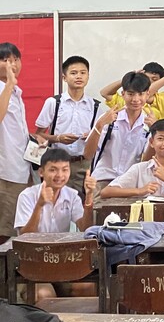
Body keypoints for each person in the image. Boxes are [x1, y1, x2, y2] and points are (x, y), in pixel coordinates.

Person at [34, 55, 102, 195]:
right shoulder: (54, 103)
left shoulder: (95, 106)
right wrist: (58, 138)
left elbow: (102, 137)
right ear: (64, 77)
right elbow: (38, 134)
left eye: (83, 73)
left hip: (83, 164)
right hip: (56, 162)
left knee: (82, 202)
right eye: (73, 73)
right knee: (54, 200)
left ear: (88, 76)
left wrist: (92, 136)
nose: (79, 76)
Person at [83, 72, 153, 196]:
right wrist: (99, 125)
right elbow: (87, 154)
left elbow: (146, 162)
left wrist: (155, 133)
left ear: (147, 94)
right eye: (130, 94)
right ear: (123, 94)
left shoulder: (149, 124)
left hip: (131, 183)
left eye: (141, 94)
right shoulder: (109, 119)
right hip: (102, 180)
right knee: (95, 208)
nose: (136, 99)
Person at [101, 118, 164, 198]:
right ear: (151, 142)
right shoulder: (139, 169)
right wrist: (139, 191)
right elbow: (106, 192)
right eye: (160, 138)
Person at [0, 43, 35, 243]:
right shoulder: (6, 89)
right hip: (6, 171)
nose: (12, 64)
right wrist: (9, 84)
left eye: (15, 59)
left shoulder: (15, 92)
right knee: (4, 230)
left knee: (16, 227)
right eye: (6, 60)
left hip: (22, 168)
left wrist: (33, 139)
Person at [14, 148, 96, 233]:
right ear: (41, 172)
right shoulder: (27, 195)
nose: (60, 175)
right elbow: (25, 235)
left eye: (65, 170)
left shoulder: (73, 195)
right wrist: (39, 205)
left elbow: (85, 229)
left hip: (62, 242)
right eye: (53, 170)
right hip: (35, 242)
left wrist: (89, 196)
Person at [99, 62, 164, 109]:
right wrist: (129, 78)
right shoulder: (126, 100)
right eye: (146, 78)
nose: (149, 82)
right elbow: (104, 93)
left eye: (154, 79)